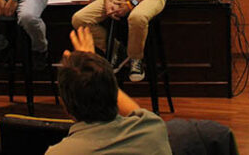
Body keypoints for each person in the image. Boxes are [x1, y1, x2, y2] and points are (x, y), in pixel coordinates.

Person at [46, 26, 171, 155]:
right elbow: (136, 112)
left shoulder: (59, 152)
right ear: (115, 91)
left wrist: (90, 64)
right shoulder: (153, 129)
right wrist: (93, 65)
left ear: (66, 107)